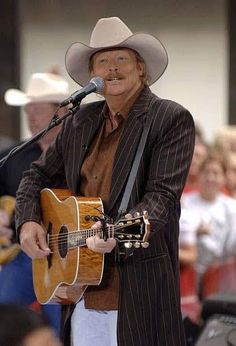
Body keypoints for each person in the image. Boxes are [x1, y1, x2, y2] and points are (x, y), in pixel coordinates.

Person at [15, 17, 195, 346]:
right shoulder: (79, 120)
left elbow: (161, 197)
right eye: (102, 61)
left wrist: (119, 234)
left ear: (141, 68)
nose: (111, 68)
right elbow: (36, 174)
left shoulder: (169, 118)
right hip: (80, 288)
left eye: (120, 59)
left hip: (137, 287)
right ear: (92, 76)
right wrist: (28, 221)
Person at [0, 72, 69, 335]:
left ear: (61, 112)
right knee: (3, 315)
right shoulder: (12, 155)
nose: (30, 117)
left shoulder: (80, 153)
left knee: (62, 327)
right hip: (21, 254)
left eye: (38, 110)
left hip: (65, 255)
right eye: (28, 111)